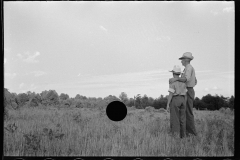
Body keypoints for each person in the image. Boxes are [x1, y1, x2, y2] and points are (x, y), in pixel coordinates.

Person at [169, 52, 197, 136]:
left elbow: (186, 79)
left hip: (187, 90)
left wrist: (176, 80)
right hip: (188, 90)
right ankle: (186, 133)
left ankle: (191, 133)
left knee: (188, 112)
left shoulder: (188, 68)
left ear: (186, 60)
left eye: (182, 60)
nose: (181, 62)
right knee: (185, 112)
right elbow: (195, 81)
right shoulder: (188, 68)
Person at [166, 65, 187, 138]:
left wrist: (168, 104)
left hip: (175, 99)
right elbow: (185, 92)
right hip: (183, 99)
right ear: (179, 73)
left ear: (173, 73)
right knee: (182, 119)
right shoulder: (183, 82)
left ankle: (176, 136)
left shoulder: (172, 82)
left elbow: (171, 93)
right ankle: (183, 136)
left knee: (175, 119)